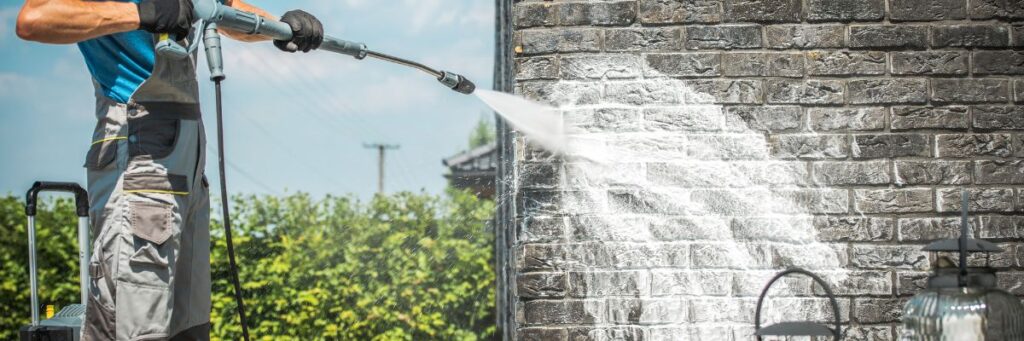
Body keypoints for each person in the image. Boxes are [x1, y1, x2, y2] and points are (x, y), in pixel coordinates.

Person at [16, 0, 323, 339]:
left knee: (188, 328)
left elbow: (222, 10)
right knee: (135, 329)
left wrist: (281, 28)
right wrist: (143, 14)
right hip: (138, 152)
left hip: (186, 157)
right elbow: (35, 19)